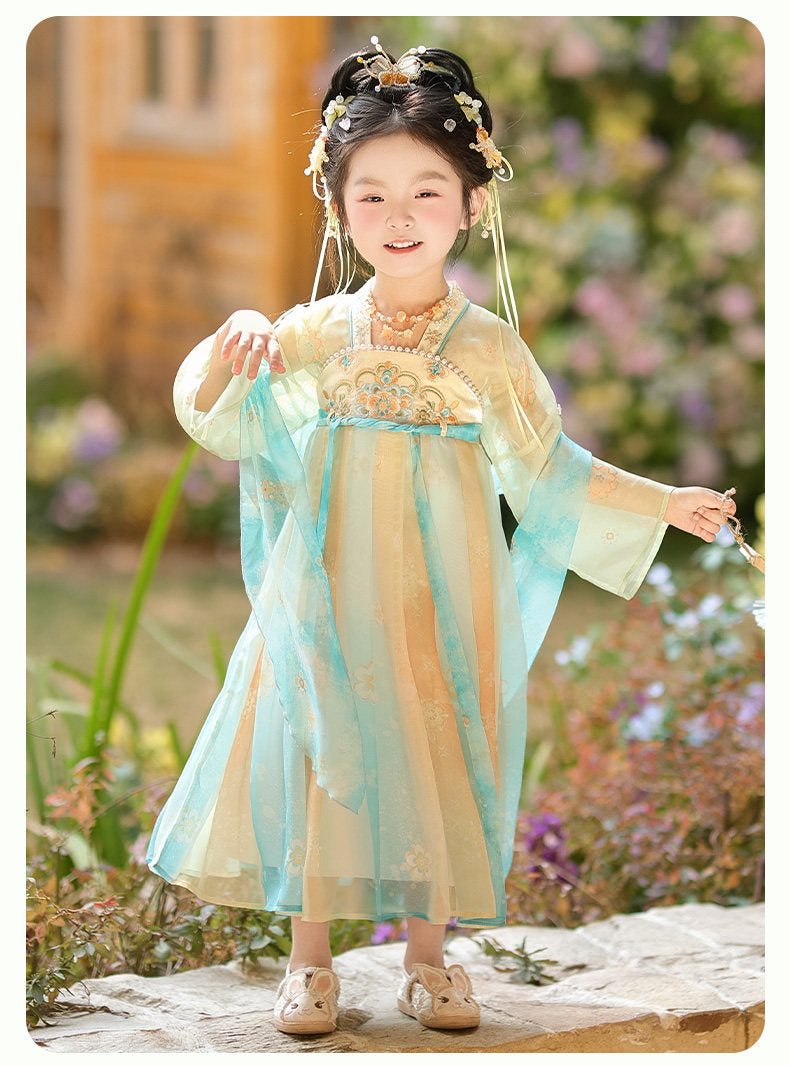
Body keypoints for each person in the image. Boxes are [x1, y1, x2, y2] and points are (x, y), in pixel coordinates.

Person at [146, 39, 737, 1035]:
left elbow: (547, 466)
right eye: (370, 195)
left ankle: (427, 958)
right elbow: (223, 415)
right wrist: (235, 337)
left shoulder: (487, 348)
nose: (399, 216)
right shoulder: (320, 332)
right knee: (319, 736)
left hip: (437, 592)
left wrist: (661, 501)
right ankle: (312, 958)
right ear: (337, 208)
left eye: (427, 190)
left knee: (430, 742)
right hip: (331, 589)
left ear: (472, 203)